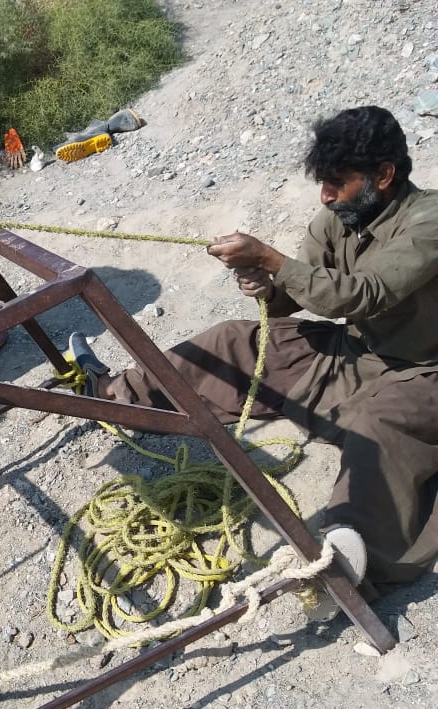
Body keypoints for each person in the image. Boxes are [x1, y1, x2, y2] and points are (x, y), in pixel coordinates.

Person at [68, 105, 438, 606]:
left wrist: (270, 259)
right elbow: (304, 291)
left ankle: (351, 560)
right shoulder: (339, 217)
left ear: (384, 175)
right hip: (357, 353)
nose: (325, 195)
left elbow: (362, 294)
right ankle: (115, 394)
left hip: (425, 373)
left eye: (336, 183)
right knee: (234, 339)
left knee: (377, 425)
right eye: (322, 183)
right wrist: (265, 286)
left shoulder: (429, 221)